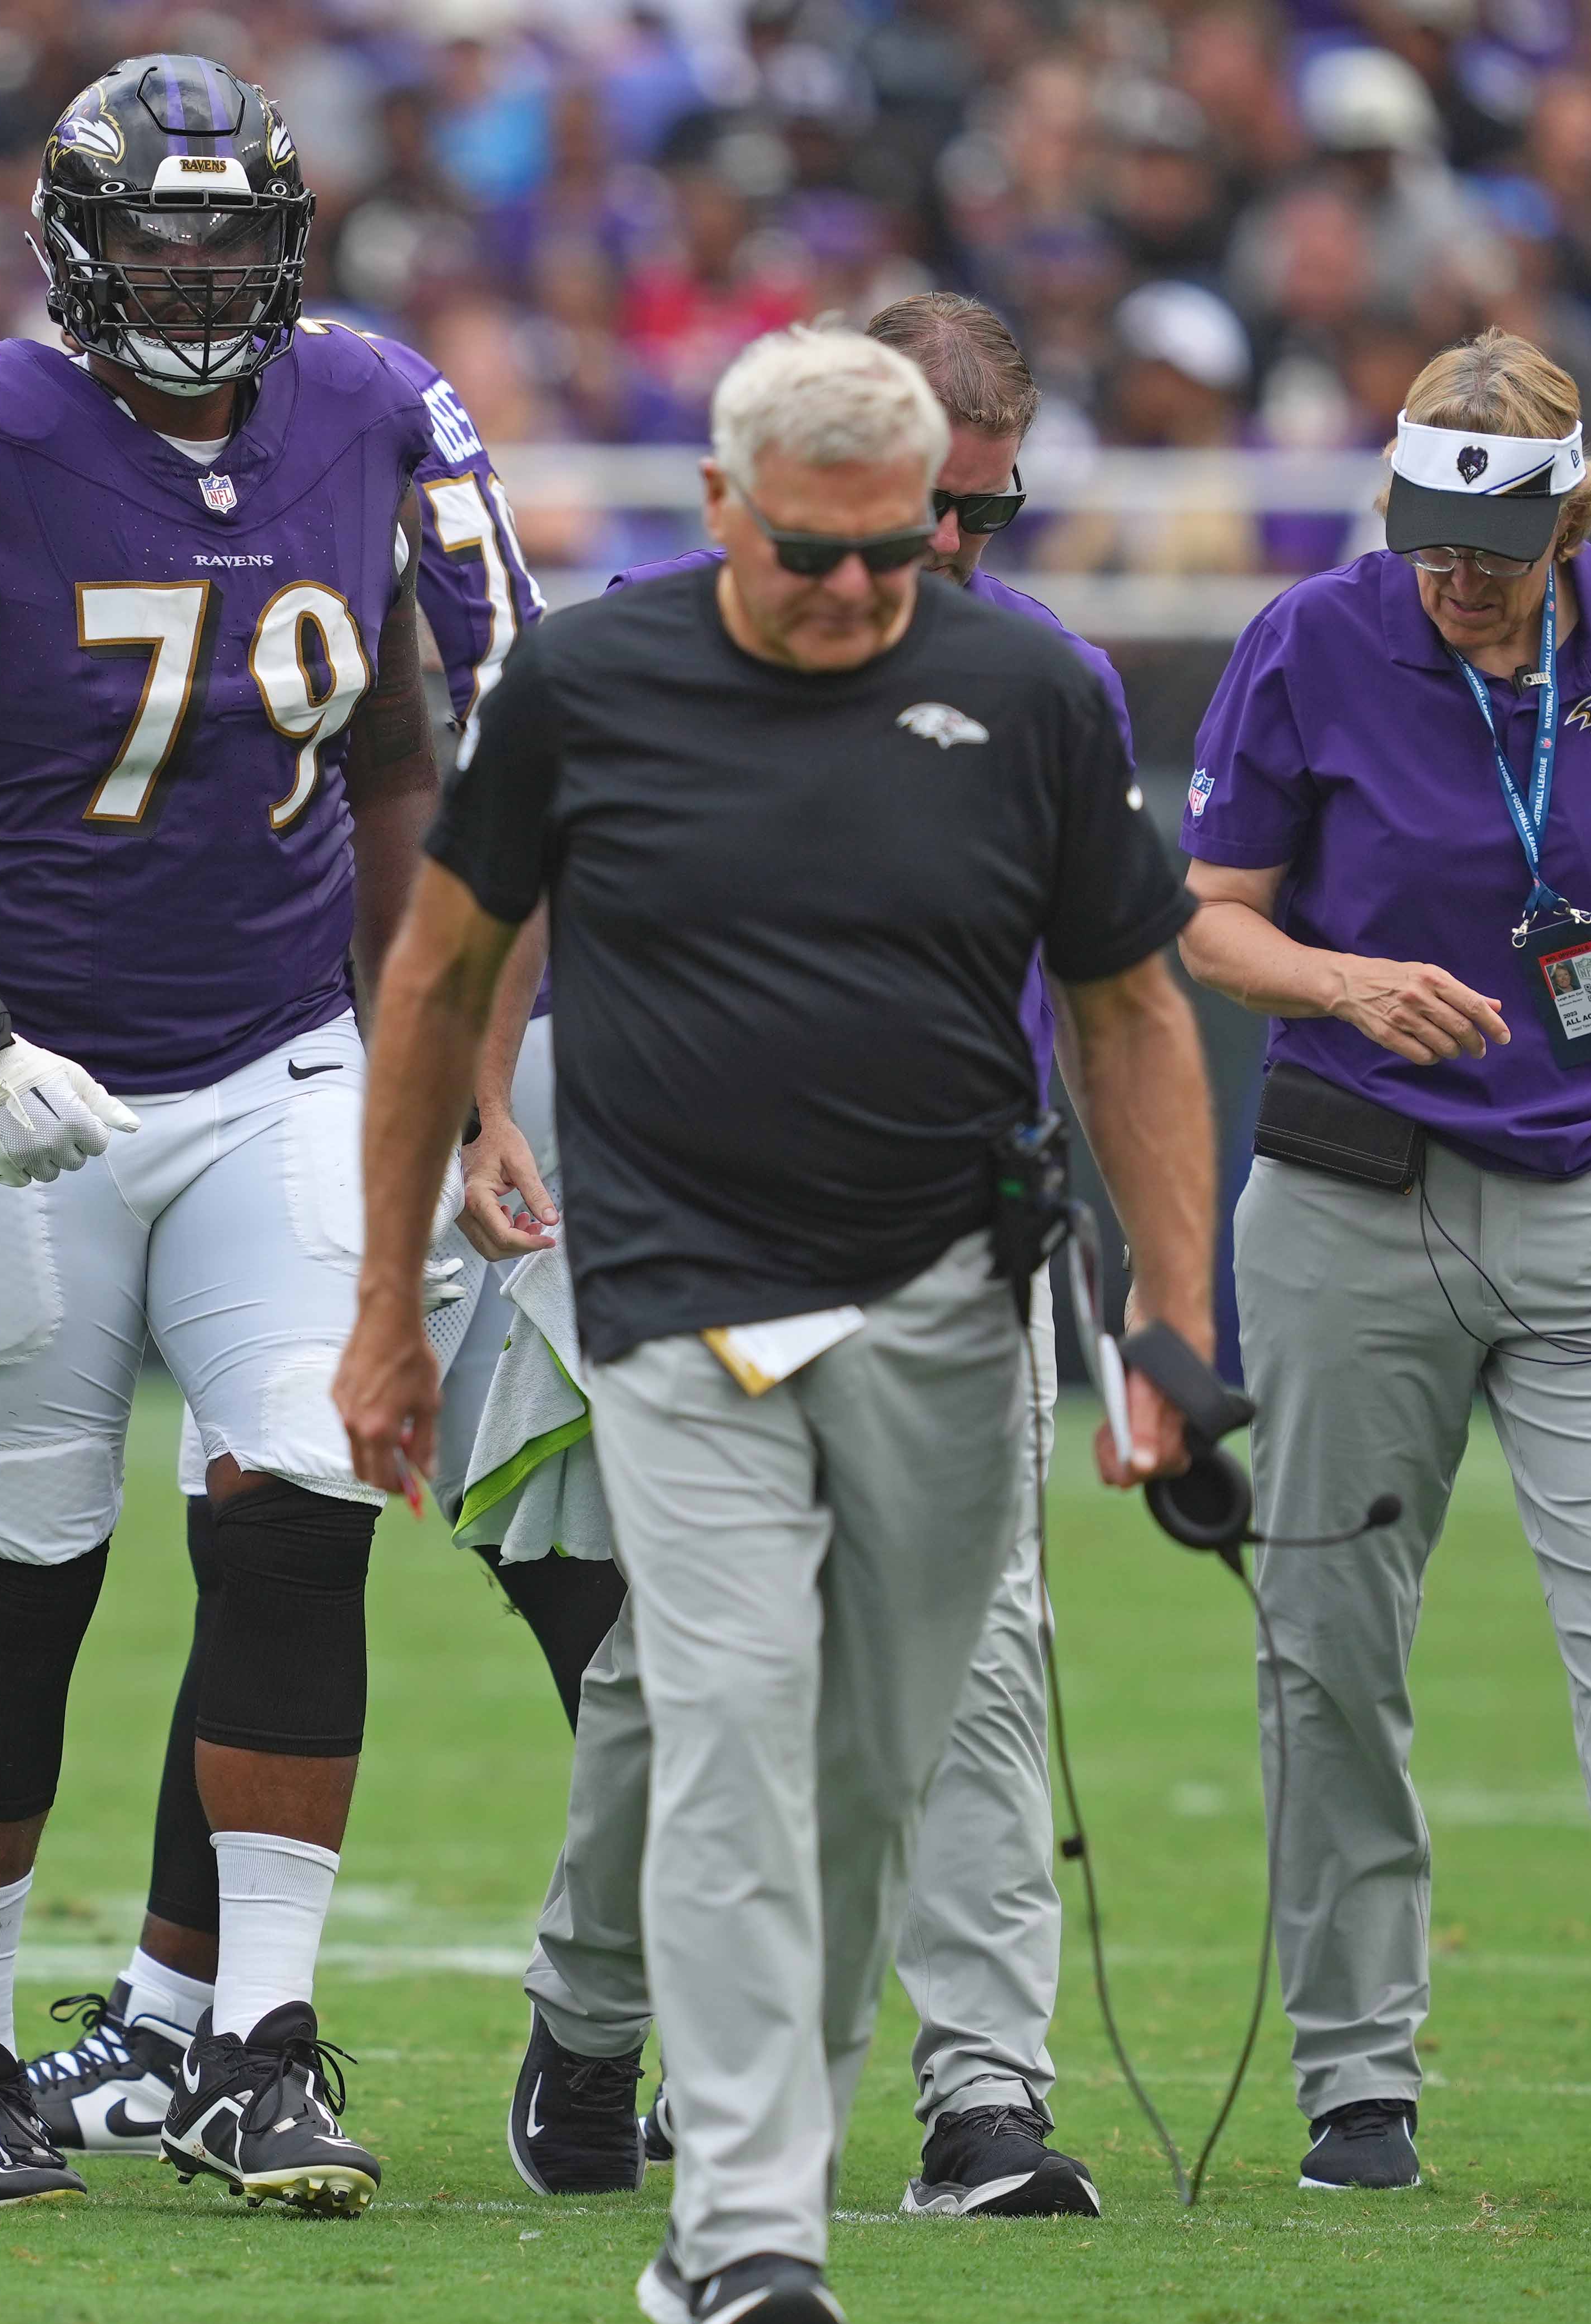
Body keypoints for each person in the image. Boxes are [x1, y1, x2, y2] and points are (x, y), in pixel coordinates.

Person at [334, 324, 1217, 2324]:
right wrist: (389, 1298)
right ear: (722, 505)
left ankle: (755, 2118)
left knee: (884, 1752)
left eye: (893, 555)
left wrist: (1167, 1316)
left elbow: (1134, 1012)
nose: (848, 593)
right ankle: (746, 2224)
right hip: (684, 1287)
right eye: (808, 553)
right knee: (724, 1711)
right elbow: (439, 973)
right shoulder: (588, 682)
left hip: (945, 1287)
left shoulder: (1023, 693)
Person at [0, 54, 470, 2215]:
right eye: (156, 241)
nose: (194, 277)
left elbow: (402, 764)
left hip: (271, 1063)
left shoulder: (353, 411)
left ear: (285, 247)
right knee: (25, 1570)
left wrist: (407, 1041)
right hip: (20, 1088)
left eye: (228, 239)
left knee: (299, 1504)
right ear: (76, 249)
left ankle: (256, 2040)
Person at [1174, 327, 1591, 2204]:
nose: (1454, 572)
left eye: (1495, 536)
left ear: (1573, 511)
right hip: (1349, 1206)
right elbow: (1209, 921)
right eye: (1425, 534)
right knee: (1328, 1644)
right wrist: (1339, 979)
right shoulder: (1310, 639)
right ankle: (1354, 2076)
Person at [483, 294, 1123, 2223]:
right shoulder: (624, 656)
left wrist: (1143, 1269)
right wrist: (473, 1116)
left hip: (946, 1212)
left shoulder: (1036, 684)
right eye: (921, 513)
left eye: (977, 519)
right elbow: (490, 908)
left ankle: (982, 2089)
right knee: (697, 1663)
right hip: (686, 1209)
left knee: (981, 1648)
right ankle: (593, 2017)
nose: (938, 561)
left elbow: (1120, 985)